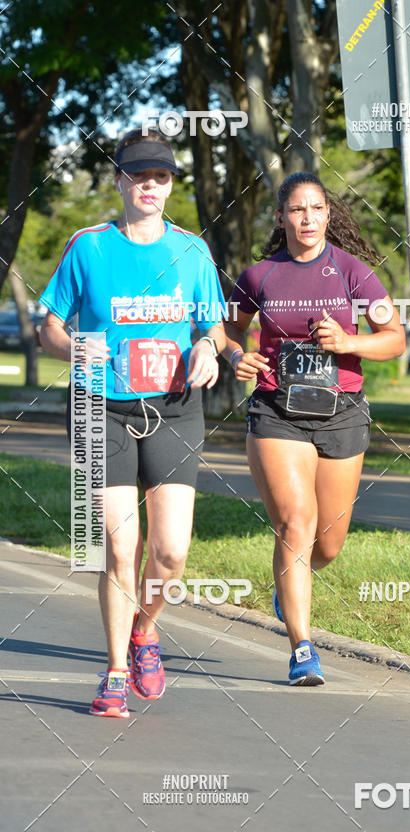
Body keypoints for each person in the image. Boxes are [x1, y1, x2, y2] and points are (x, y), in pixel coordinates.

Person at [40, 128, 227, 717]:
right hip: (101, 406)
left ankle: (147, 631)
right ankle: (116, 669)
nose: (150, 185)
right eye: (139, 175)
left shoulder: (192, 251)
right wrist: (78, 350)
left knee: (170, 552)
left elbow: (214, 327)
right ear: (120, 180)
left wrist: (208, 349)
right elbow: (49, 325)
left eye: (162, 176)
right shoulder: (89, 248)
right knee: (122, 546)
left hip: (173, 408)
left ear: (170, 185)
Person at [224, 171, 405, 686]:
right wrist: (239, 353)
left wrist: (348, 343)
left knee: (326, 545)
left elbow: (394, 339)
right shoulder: (259, 275)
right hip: (276, 410)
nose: (307, 218)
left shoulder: (352, 272)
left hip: (341, 412)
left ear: (329, 215)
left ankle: (289, 580)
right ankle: (303, 648)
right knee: (296, 524)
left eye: (316, 209)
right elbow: (230, 326)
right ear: (281, 218)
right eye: (297, 210)